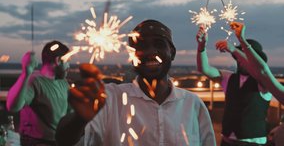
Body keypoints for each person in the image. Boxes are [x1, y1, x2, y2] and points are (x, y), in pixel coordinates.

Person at [56, 19, 216, 146]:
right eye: (141, 46)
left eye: (159, 44)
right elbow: (64, 140)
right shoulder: (110, 99)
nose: (150, 52)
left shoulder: (193, 104)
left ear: (172, 52)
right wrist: (79, 119)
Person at [196, 25, 272, 146]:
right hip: (227, 141)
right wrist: (201, 47)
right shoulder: (229, 77)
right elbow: (204, 69)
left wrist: (235, 50)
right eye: (240, 57)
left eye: (246, 57)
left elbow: (260, 69)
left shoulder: (263, 81)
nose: (242, 60)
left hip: (253, 144)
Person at [6, 40, 71, 146]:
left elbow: (70, 112)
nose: (69, 66)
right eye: (68, 61)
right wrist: (26, 73)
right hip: (37, 142)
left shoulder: (63, 83)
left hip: (59, 141)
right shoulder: (34, 81)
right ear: (58, 60)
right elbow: (12, 106)